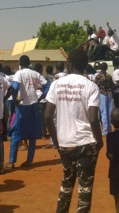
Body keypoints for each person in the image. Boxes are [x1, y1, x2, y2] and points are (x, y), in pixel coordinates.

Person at [45, 48, 102, 213]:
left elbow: (48, 116)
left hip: (65, 142)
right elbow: (93, 118)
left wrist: (57, 142)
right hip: (86, 143)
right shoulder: (90, 86)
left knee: (66, 184)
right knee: (85, 189)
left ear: (69, 64)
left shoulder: (56, 84)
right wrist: (99, 141)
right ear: (84, 66)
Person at [5, 55, 48, 169]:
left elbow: (14, 87)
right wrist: (41, 96)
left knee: (16, 133)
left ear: (20, 63)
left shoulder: (19, 73)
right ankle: (29, 160)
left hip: (23, 106)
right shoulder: (35, 73)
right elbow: (47, 84)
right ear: (29, 63)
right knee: (32, 135)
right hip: (34, 105)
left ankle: (11, 161)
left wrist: (14, 100)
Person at [95, 62, 114, 136]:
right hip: (109, 94)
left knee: (104, 113)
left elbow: (95, 84)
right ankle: (109, 129)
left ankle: (105, 131)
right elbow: (112, 85)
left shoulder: (98, 76)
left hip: (102, 94)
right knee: (109, 112)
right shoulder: (109, 76)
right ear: (106, 68)